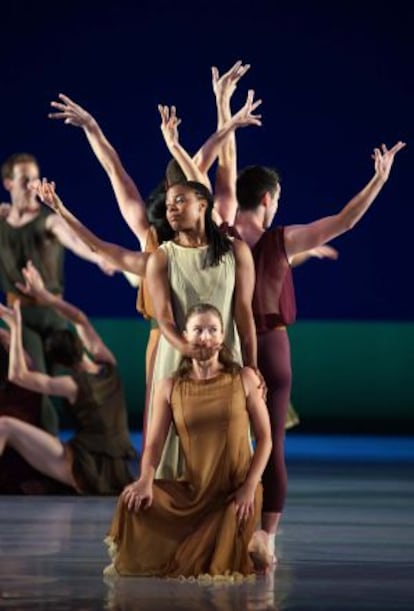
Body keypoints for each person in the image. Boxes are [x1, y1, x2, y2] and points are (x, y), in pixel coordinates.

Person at [223, 140, 406, 561]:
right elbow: (345, 220)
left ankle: (226, 529)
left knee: (226, 441)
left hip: (227, 347)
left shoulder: (222, 237)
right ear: (267, 199)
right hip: (271, 348)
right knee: (272, 445)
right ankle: (265, 536)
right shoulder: (280, 239)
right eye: (278, 200)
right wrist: (378, 180)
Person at [104, 303, 272, 579]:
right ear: (185, 336)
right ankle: (233, 544)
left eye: (212, 330)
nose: (205, 337)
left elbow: (265, 439)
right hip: (194, 492)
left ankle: (254, 543)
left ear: (222, 338)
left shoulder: (244, 378)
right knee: (130, 499)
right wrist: (146, 479)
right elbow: (154, 444)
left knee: (223, 550)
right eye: (198, 330)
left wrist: (250, 486)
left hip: (237, 491)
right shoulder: (169, 387)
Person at [0, 152, 116, 434]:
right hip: (20, 318)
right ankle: (44, 453)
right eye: (24, 179)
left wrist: (98, 257)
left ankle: (86, 451)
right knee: (34, 383)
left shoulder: (47, 221)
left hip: (53, 315)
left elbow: (72, 239)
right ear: (9, 183)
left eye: (34, 179)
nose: (31, 185)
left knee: (67, 384)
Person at [0, 261, 136, 494]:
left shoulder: (70, 385)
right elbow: (80, 319)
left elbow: (17, 375)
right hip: (118, 469)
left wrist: (15, 326)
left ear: (59, 363)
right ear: (81, 345)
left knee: (4, 425)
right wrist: (47, 297)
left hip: (87, 468)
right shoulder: (109, 367)